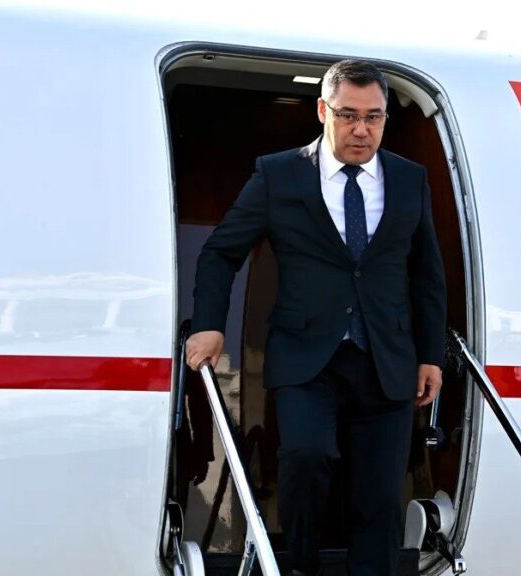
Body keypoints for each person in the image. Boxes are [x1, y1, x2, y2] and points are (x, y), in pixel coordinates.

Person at [185, 59, 447, 576]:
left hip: (386, 357)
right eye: (348, 115)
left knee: (379, 494)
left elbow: (427, 275)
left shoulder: (409, 179)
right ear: (323, 110)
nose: (361, 129)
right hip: (307, 356)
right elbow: (220, 252)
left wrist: (430, 356)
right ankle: (300, 566)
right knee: (306, 457)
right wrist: (209, 323)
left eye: (373, 117)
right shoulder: (279, 174)